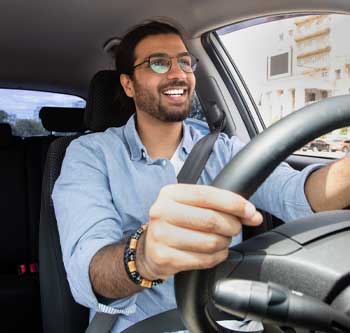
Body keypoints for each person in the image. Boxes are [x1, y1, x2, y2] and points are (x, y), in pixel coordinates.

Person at [52, 21, 350, 332]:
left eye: (184, 61)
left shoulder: (222, 148)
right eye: (158, 62)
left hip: (228, 322)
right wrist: (144, 256)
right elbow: (90, 269)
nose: (178, 73)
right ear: (128, 85)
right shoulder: (90, 154)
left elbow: (296, 195)